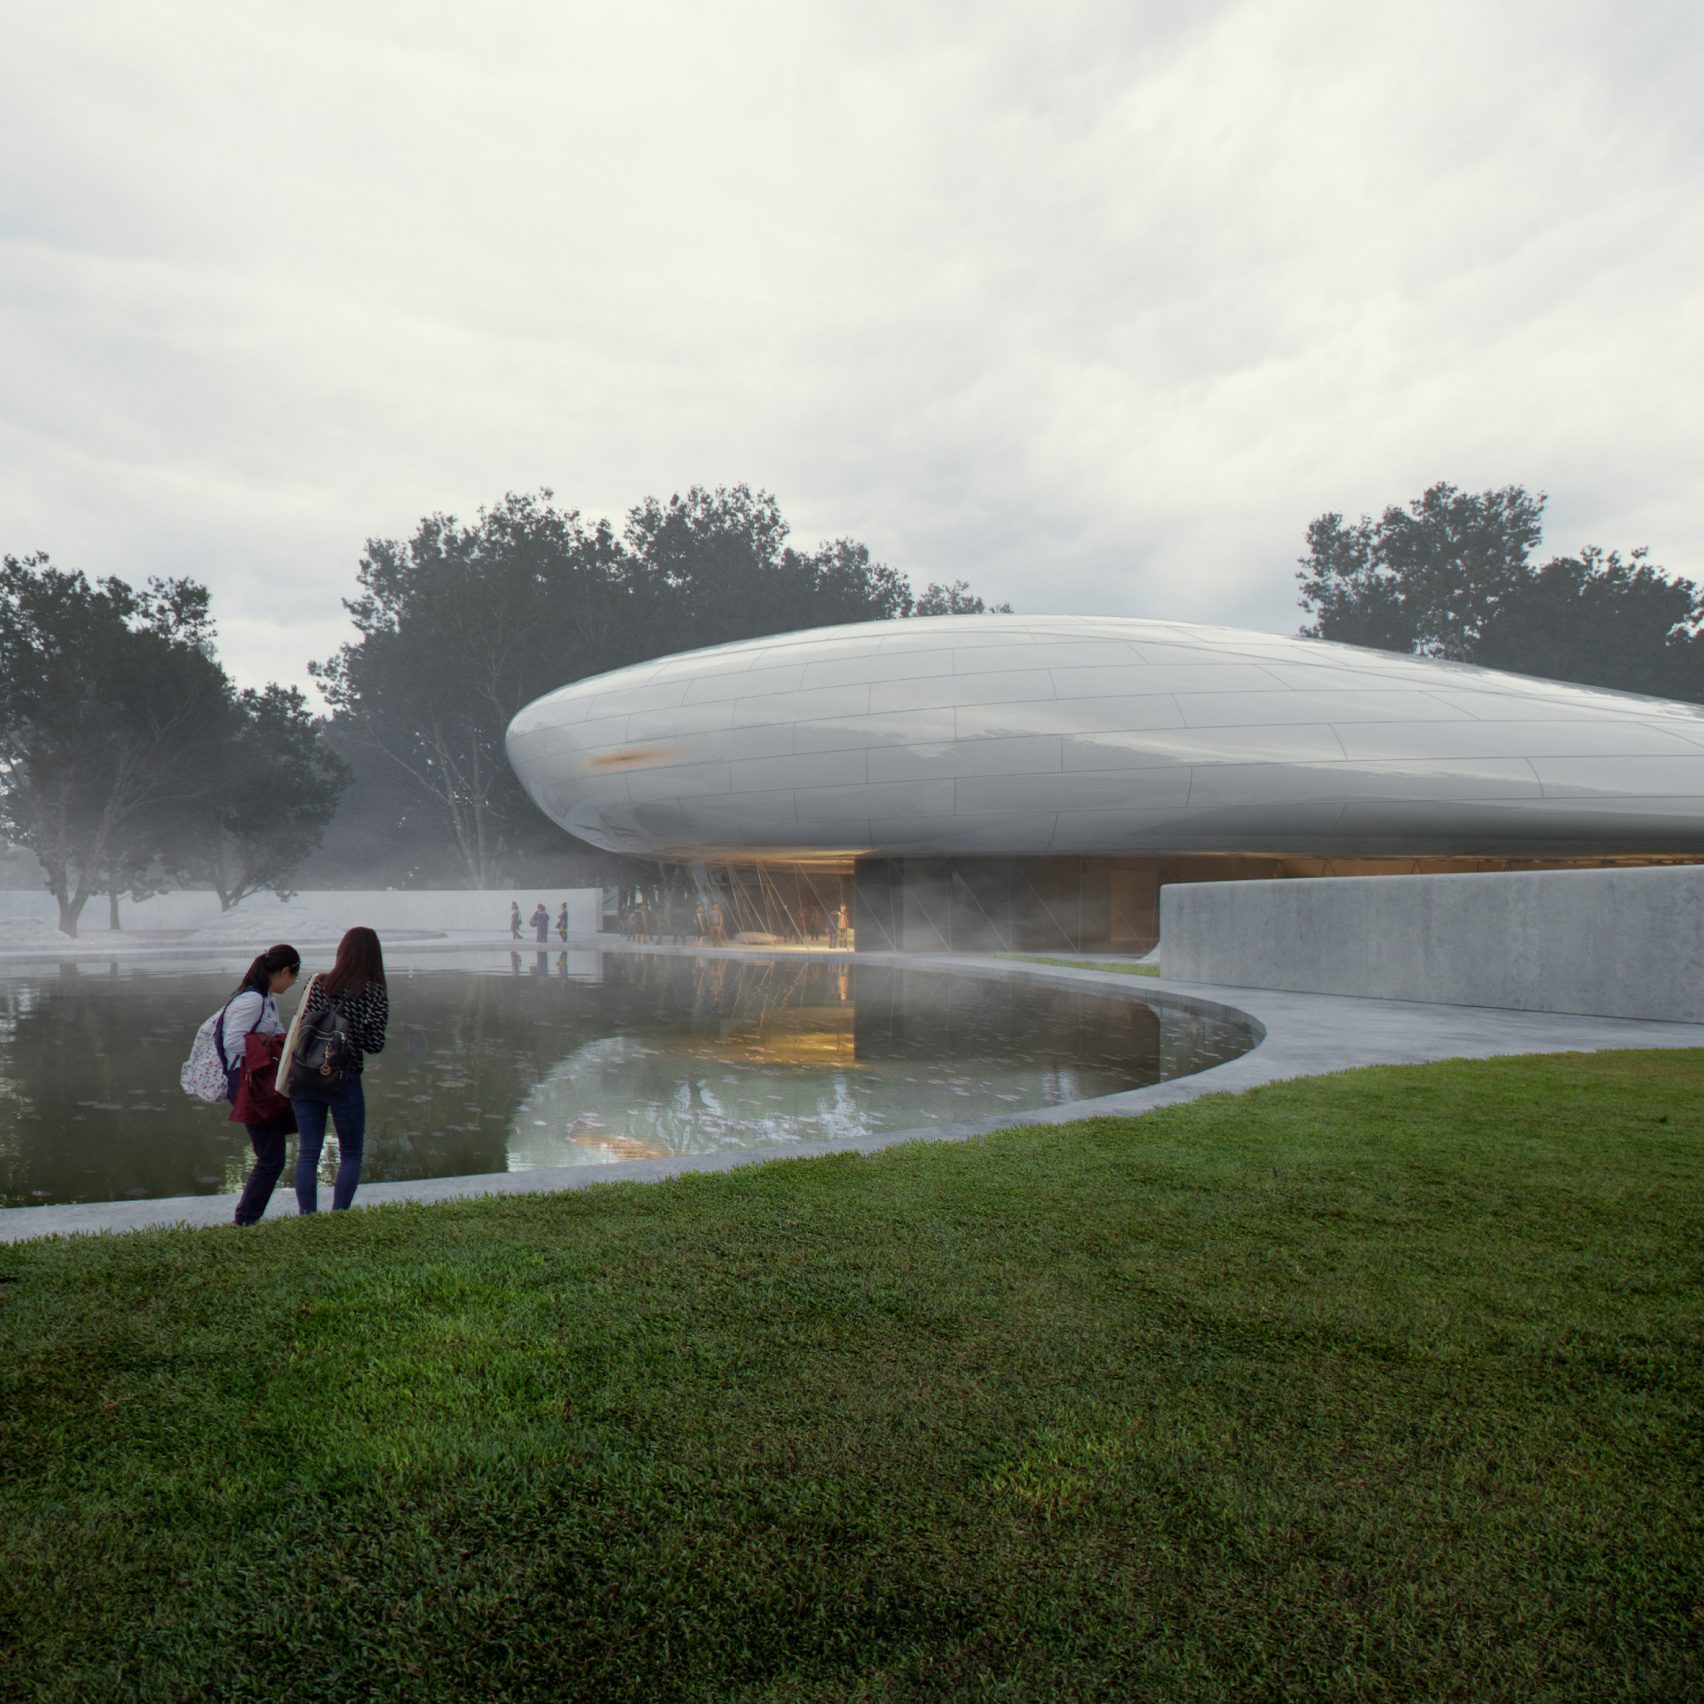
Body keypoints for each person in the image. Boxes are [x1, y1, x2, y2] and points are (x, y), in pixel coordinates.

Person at [292, 926, 389, 1214]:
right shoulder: (373, 992)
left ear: (342, 951)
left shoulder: (316, 983)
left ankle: (307, 1216)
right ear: (374, 956)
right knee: (351, 1154)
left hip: (306, 1075)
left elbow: (301, 1026)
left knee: (308, 1153)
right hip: (345, 1078)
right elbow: (373, 1045)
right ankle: (339, 1216)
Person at [226, 943, 301, 1226]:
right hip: (250, 1086)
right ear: (283, 971)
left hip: (257, 1085)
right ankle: (245, 1220)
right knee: (271, 1157)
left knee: (271, 1155)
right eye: (293, 976)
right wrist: (271, 1048)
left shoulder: (265, 999)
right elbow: (232, 1041)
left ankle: (247, 1217)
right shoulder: (252, 1001)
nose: (292, 983)